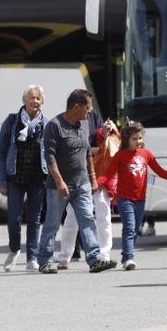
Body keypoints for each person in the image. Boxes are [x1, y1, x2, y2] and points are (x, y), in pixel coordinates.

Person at [36, 89, 117, 274]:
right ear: (76, 106)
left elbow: (88, 152)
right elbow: (49, 156)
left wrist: (93, 179)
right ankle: (45, 260)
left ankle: (95, 259)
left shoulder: (85, 123)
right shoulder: (55, 125)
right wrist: (59, 181)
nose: (89, 111)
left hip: (82, 184)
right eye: (87, 107)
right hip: (59, 186)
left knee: (87, 219)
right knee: (52, 223)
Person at [98, 122, 167, 269]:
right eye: (134, 139)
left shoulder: (146, 154)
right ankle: (129, 258)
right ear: (127, 139)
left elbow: (159, 171)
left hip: (140, 199)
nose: (138, 141)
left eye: (140, 138)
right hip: (124, 199)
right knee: (129, 227)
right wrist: (97, 183)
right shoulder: (120, 156)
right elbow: (108, 174)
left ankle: (125, 256)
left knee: (134, 230)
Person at [0, 85, 49, 272]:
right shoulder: (12, 121)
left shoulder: (46, 124)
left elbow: (50, 153)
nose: (35, 101)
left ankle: (32, 257)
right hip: (15, 177)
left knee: (34, 218)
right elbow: (0, 153)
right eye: (31, 98)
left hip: (38, 178)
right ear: (24, 100)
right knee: (14, 217)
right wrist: (0, 181)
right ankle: (14, 249)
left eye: (38, 98)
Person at [57, 114, 116, 269]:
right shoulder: (66, 121)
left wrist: (104, 132)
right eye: (86, 106)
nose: (87, 110)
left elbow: (101, 141)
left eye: (89, 107)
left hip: (100, 175)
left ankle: (104, 253)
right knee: (71, 218)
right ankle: (64, 256)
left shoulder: (94, 116)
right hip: (79, 176)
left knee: (103, 215)